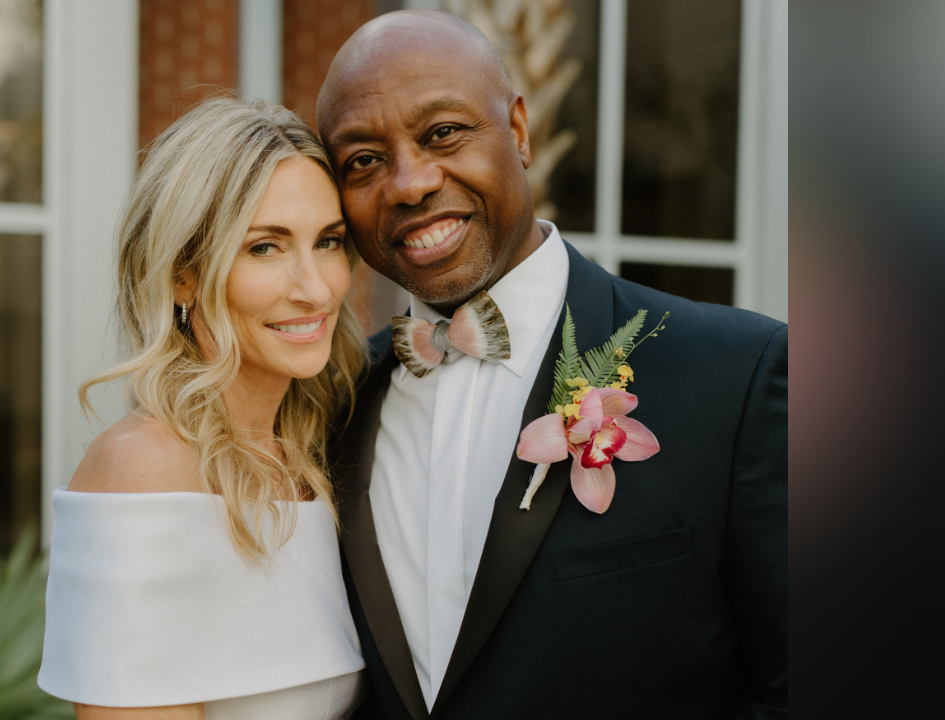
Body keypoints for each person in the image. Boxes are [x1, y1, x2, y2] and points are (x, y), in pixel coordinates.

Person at [317, 11, 787, 720]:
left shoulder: (739, 378)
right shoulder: (330, 405)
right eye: (362, 161)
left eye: (443, 133)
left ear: (520, 130)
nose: (409, 183)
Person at [37, 99, 370, 720]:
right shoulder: (142, 471)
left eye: (328, 241)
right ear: (183, 276)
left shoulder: (309, 462)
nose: (316, 287)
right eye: (266, 247)